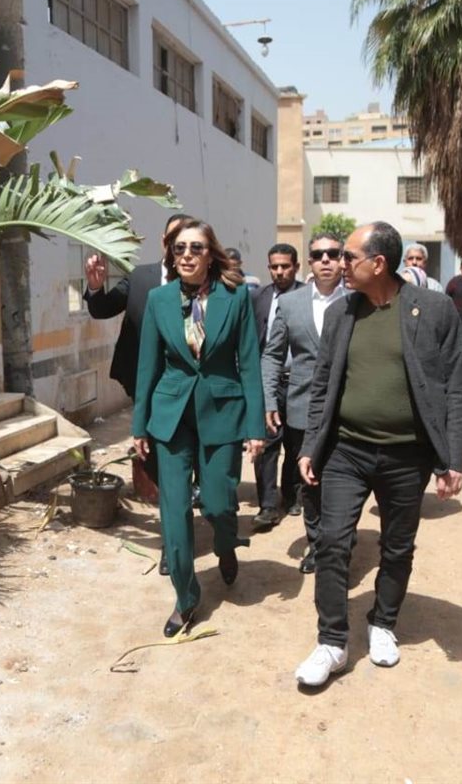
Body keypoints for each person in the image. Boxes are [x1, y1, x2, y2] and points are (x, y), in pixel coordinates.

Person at [294, 221, 462, 686]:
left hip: (407, 457)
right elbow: (322, 385)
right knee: (332, 541)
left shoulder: (434, 310)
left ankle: (383, 623)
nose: (340, 264)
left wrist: (453, 460)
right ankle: (332, 642)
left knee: (397, 545)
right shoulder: (341, 313)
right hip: (346, 451)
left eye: (349, 257)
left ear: (378, 264)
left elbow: (455, 386)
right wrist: (311, 445)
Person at [132, 219, 266, 637]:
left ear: (211, 254)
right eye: (180, 248)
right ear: (171, 255)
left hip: (222, 412)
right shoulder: (158, 299)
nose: (187, 255)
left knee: (219, 504)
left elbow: (250, 364)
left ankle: (226, 545)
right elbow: (147, 366)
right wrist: (139, 425)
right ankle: (186, 597)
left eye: (196, 248)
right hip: (171, 416)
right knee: (174, 513)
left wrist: (256, 426)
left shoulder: (236, 297)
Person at [86, 213, 190, 575]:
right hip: (146, 386)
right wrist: (95, 287)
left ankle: (185, 510)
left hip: (188, 388)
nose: (180, 248)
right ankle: (173, 539)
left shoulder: (201, 282)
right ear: (164, 242)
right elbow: (103, 309)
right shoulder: (141, 277)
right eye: (174, 240)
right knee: (161, 461)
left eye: (187, 240)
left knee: (182, 459)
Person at [260, 231, 346, 572]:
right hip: (301, 408)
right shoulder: (290, 303)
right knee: (309, 482)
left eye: (333, 254)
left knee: (343, 482)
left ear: (342, 260)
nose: (325, 260)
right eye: (319, 254)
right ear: (309, 262)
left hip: (347, 409)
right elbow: (272, 354)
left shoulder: (358, 301)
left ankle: (339, 542)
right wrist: (269, 399)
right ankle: (317, 544)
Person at [252, 244, 304, 529]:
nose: (280, 271)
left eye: (285, 266)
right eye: (275, 267)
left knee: (296, 443)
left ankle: (292, 495)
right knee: (267, 444)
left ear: (296, 267)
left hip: (299, 383)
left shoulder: (307, 296)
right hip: (268, 382)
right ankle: (268, 505)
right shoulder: (258, 298)